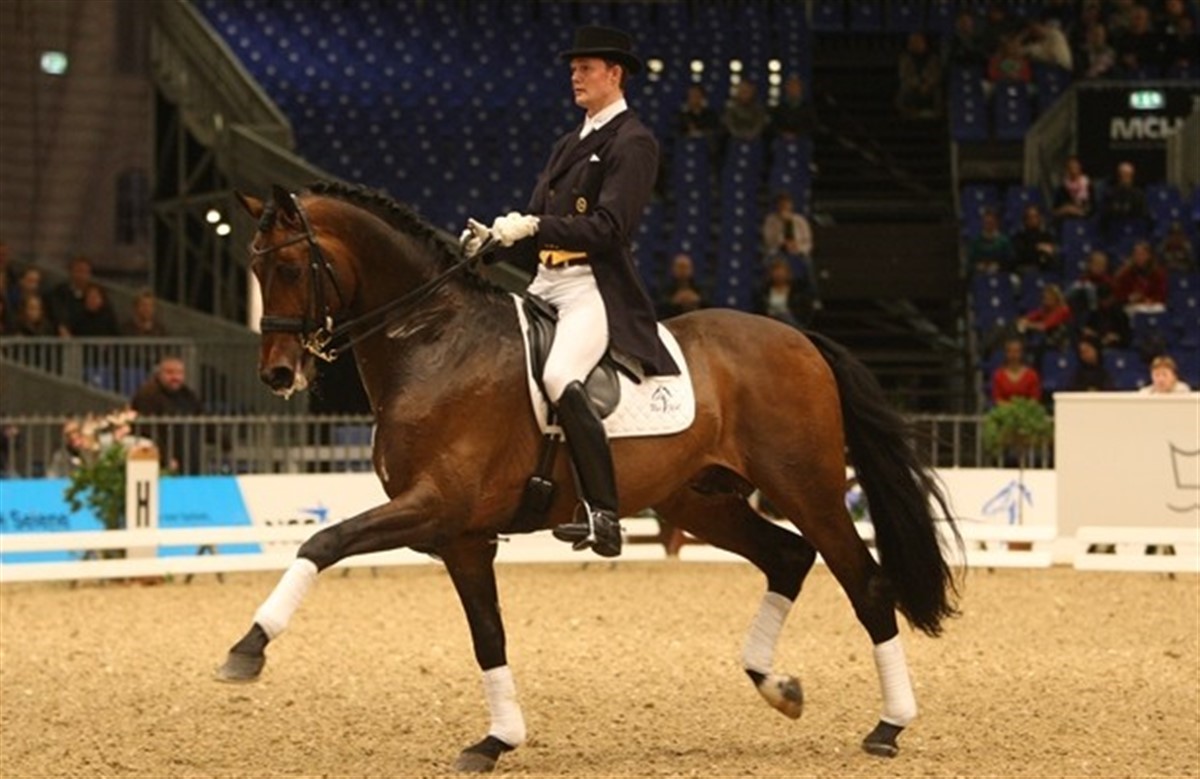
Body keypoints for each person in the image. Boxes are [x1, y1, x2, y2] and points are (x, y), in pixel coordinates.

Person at [464, 25, 678, 558]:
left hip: (592, 287)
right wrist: (494, 244)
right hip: (545, 282)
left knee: (560, 375)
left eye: (585, 69)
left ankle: (604, 514)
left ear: (614, 74)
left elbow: (610, 229)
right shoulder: (569, 143)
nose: (575, 77)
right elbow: (539, 232)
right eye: (573, 69)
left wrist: (535, 225)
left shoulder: (633, 141)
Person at [130, 355, 205, 473]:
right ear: (159, 374)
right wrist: (165, 457)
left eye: (179, 373)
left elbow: (202, 418)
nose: (175, 377)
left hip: (189, 456)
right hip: (162, 461)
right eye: (170, 373)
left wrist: (226, 442)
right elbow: (147, 430)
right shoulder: (148, 395)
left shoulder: (187, 394)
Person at [761, 191, 818, 305]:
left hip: (798, 251)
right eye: (781, 204)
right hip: (777, 250)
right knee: (770, 263)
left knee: (808, 264)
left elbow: (808, 241)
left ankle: (813, 297)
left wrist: (798, 248)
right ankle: (768, 297)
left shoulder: (800, 220)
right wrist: (783, 228)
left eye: (786, 204)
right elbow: (768, 240)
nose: (784, 206)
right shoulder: (771, 220)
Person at [754, 258, 812, 328]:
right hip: (770, 324)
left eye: (781, 271)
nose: (779, 275)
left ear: (788, 273)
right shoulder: (763, 291)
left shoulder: (798, 292)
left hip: (793, 325)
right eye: (776, 271)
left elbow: (804, 312)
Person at [896, 32, 943, 118]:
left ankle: (935, 115)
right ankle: (911, 114)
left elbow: (936, 74)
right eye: (913, 42)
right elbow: (904, 75)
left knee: (938, 92)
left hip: (929, 86)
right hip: (912, 86)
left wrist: (928, 84)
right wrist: (918, 85)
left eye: (918, 42)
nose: (916, 44)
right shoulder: (905, 58)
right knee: (904, 91)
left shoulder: (933, 58)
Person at [1098, 161, 1148, 240]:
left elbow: (1143, 216)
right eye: (1123, 175)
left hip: (1134, 233)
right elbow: (1104, 218)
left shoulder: (1139, 195)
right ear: (1118, 176)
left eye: (1128, 175)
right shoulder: (1110, 194)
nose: (1126, 178)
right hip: (1114, 234)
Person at [1017, 283, 1073, 354]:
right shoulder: (1045, 309)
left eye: (1049, 298)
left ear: (1056, 298)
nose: (1045, 300)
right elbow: (1029, 317)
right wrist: (1023, 321)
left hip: (1064, 343)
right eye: (1044, 298)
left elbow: (1044, 326)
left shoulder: (1063, 309)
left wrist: (1028, 325)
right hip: (1049, 341)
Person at [1114, 241, 1167, 313]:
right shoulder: (1125, 273)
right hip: (1131, 305)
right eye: (1136, 254)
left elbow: (1161, 293)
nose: (1139, 257)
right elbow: (1119, 294)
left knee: (1159, 309)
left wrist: (1151, 300)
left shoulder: (1157, 273)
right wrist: (1129, 298)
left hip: (1151, 304)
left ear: (1149, 256)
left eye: (1142, 254)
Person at [48, 255, 94, 337]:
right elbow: (57, 313)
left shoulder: (95, 293)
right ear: (71, 272)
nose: (82, 275)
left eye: (85, 272)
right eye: (78, 271)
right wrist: (62, 327)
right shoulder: (60, 292)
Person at [991, 336, 1042, 405]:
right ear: (1005, 354)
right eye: (1010, 351)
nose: (1013, 355)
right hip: (1005, 410)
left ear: (1022, 353)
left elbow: (1035, 398)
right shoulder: (998, 375)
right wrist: (1010, 408)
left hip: (1026, 409)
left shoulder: (1032, 375)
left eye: (1016, 351)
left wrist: (1023, 408)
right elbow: (997, 399)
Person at [1011, 205, 1059, 274]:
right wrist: (1038, 247)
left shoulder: (1046, 236)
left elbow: (1051, 251)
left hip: (1045, 269)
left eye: (1035, 216)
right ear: (1025, 220)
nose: (1033, 220)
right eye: (1030, 217)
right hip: (1026, 269)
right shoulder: (1019, 237)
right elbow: (1022, 255)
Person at [656, 253, 706, 319]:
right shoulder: (664, 289)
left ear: (692, 269)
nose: (683, 271)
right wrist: (674, 303)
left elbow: (709, 308)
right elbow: (658, 310)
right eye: (679, 267)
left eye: (685, 267)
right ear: (672, 269)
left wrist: (697, 301)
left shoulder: (700, 289)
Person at [770, 74, 817, 142]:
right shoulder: (780, 107)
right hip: (782, 140)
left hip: (802, 140)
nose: (793, 89)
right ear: (786, 88)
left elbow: (813, 126)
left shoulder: (808, 108)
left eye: (796, 86)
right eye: (790, 85)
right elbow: (774, 125)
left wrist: (797, 134)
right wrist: (783, 133)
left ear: (800, 88)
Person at [968, 209, 1016, 274]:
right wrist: (977, 266)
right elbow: (970, 262)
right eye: (986, 222)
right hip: (980, 275)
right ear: (982, 223)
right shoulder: (976, 241)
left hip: (1001, 274)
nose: (989, 225)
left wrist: (999, 266)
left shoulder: (1004, 241)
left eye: (991, 222)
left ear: (996, 223)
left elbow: (1011, 261)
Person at [1051, 155, 1093, 221]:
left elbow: (1093, 208)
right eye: (1070, 167)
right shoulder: (1062, 189)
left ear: (1080, 168)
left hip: (1086, 221)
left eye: (1075, 167)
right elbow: (1054, 212)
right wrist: (1066, 209)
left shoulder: (1088, 185)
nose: (1073, 170)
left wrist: (1081, 211)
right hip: (1068, 222)